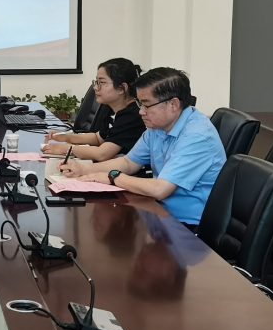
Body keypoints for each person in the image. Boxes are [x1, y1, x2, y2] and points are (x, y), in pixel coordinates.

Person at [57, 67, 226, 229]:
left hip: (186, 225)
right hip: (158, 211)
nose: (141, 112)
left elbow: (160, 189)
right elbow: (129, 162)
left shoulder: (197, 136)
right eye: (140, 104)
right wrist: (83, 169)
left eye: (146, 105)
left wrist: (113, 177)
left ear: (173, 104)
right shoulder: (158, 126)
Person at [43, 58, 145, 161]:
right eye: (96, 82)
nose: (95, 87)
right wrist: (67, 137)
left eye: (102, 82)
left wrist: (68, 149)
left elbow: (102, 154)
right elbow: (98, 138)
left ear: (121, 88)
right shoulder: (112, 109)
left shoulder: (131, 116)